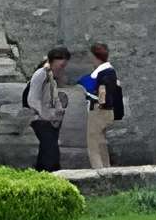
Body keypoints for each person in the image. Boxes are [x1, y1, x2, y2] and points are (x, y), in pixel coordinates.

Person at [25, 46, 74, 174]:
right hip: (41, 120)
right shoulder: (41, 74)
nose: (62, 68)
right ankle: (52, 177)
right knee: (51, 151)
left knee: (47, 150)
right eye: (61, 65)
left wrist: (59, 110)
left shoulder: (51, 77)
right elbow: (32, 99)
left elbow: (54, 97)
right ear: (53, 61)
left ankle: (39, 175)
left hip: (50, 120)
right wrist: (45, 114)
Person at [82, 42, 126, 169]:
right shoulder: (110, 70)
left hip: (99, 110)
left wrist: (101, 103)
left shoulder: (103, 72)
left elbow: (103, 91)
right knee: (101, 142)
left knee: (93, 143)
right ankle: (106, 168)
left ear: (96, 57)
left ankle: (98, 170)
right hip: (107, 111)